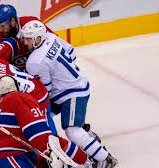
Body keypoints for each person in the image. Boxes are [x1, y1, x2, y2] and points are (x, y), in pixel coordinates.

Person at [21, 20, 118, 168]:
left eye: (28, 39)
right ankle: (88, 136)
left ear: (37, 38)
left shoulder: (34, 61)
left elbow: (44, 91)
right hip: (70, 87)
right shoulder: (51, 37)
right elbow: (71, 51)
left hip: (72, 92)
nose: (24, 42)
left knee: (72, 131)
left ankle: (105, 159)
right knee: (39, 119)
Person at [0, 75, 91, 168]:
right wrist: (82, 158)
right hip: (6, 157)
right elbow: (42, 138)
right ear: (17, 87)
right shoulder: (20, 98)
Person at [0, 4, 54, 70]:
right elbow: (4, 66)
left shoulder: (31, 23)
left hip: (44, 66)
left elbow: (53, 42)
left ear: (12, 21)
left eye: (2, 26)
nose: (0, 30)